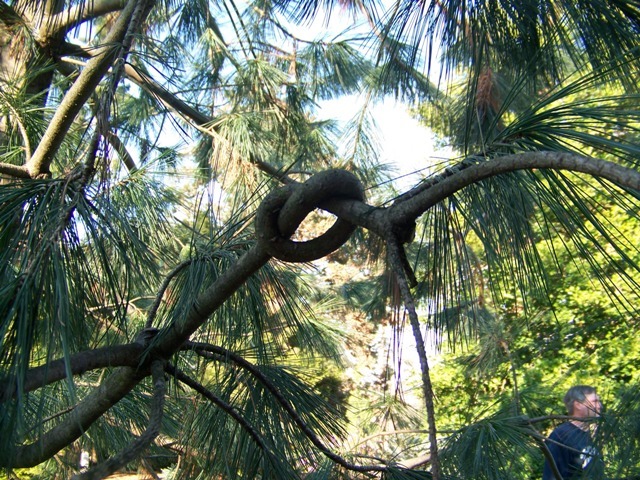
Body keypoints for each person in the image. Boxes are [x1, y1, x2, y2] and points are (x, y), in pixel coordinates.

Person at [542, 385, 604, 479]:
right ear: (578, 404)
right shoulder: (561, 436)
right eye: (595, 402)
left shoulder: (589, 435)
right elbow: (551, 476)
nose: (599, 406)